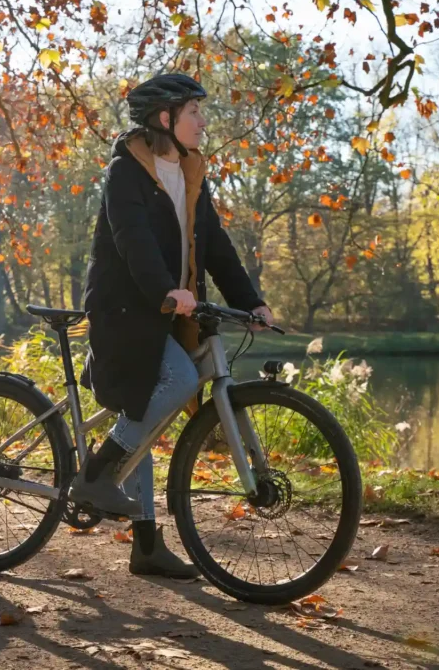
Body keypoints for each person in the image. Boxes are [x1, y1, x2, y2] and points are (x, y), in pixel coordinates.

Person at [70, 73, 274, 578]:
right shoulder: (126, 173)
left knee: (148, 415)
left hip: (169, 312)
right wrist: (167, 290)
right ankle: (96, 475)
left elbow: (217, 248)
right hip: (125, 313)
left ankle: (145, 547)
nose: (203, 121)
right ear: (166, 119)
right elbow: (132, 241)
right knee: (176, 382)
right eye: (194, 113)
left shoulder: (190, 173)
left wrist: (253, 302)